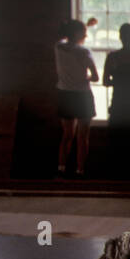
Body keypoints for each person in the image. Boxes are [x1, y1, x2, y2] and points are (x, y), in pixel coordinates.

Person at [54, 19, 98, 177]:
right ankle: (80, 170)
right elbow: (95, 77)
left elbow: (65, 38)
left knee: (67, 135)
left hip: (65, 94)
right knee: (82, 137)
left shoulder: (59, 48)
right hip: (82, 96)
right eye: (84, 32)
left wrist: (82, 25)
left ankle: (61, 168)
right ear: (79, 34)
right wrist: (85, 77)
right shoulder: (84, 52)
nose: (86, 35)